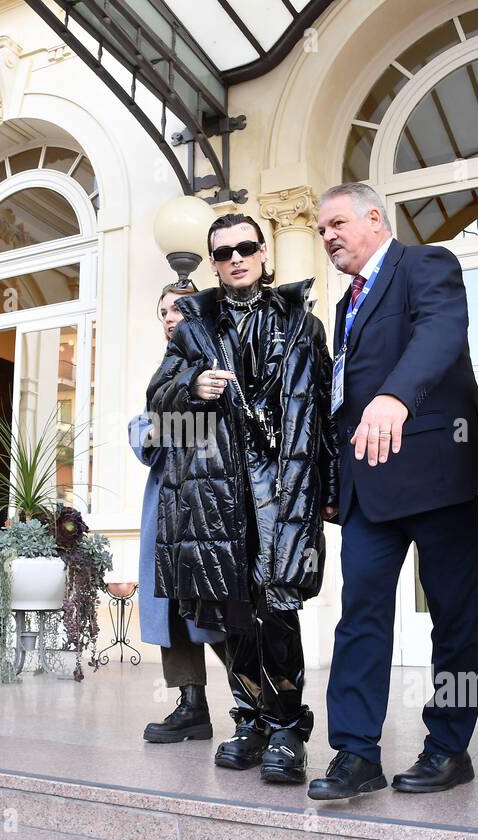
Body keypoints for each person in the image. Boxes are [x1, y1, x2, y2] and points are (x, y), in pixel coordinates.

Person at [307, 183, 478, 801]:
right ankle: (356, 753)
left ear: (372, 217)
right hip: (367, 489)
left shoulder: (425, 265)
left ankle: (448, 748)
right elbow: (342, 398)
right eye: (320, 230)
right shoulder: (346, 305)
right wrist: (336, 480)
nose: (328, 235)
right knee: (359, 619)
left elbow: (441, 335)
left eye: (336, 222)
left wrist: (395, 396)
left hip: (439, 476)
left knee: (455, 622)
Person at [147, 214, 338, 785]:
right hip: (215, 492)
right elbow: (158, 408)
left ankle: (285, 728)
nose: (235, 258)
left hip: (283, 486)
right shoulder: (192, 328)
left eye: (245, 248)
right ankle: (250, 719)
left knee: (278, 607)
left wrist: (330, 489)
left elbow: (325, 411)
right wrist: (190, 388)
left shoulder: (304, 322)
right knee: (231, 612)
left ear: (263, 252)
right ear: (212, 262)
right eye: (223, 251)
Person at [130, 280, 226, 743]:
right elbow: (144, 435)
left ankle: (264, 704)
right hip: (164, 501)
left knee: (217, 605)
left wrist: (161, 425)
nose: (168, 318)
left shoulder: (218, 354)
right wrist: (157, 426)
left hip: (208, 502)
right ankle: (192, 705)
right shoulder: (166, 371)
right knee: (171, 606)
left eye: (177, 309)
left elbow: (209, 428)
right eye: (162, 311)